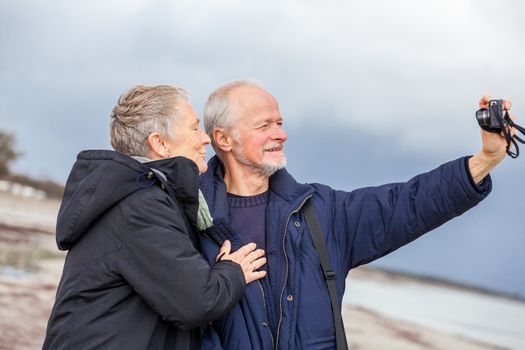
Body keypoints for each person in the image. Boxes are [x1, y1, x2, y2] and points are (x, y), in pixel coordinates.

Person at [197, 79, 514, 349]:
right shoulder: (189, 218)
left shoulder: (319, 211)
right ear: (223, 139)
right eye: (264, 125)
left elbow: (405, 203)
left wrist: (485, 160)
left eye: (279, 123)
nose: (280, 134)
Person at [43, 85, 267, 350]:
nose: (206, 138)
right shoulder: (139, 206)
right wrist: (233, 270)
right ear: (160, 144)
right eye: (194, 128)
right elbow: (196, 300)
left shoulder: (139, 195)